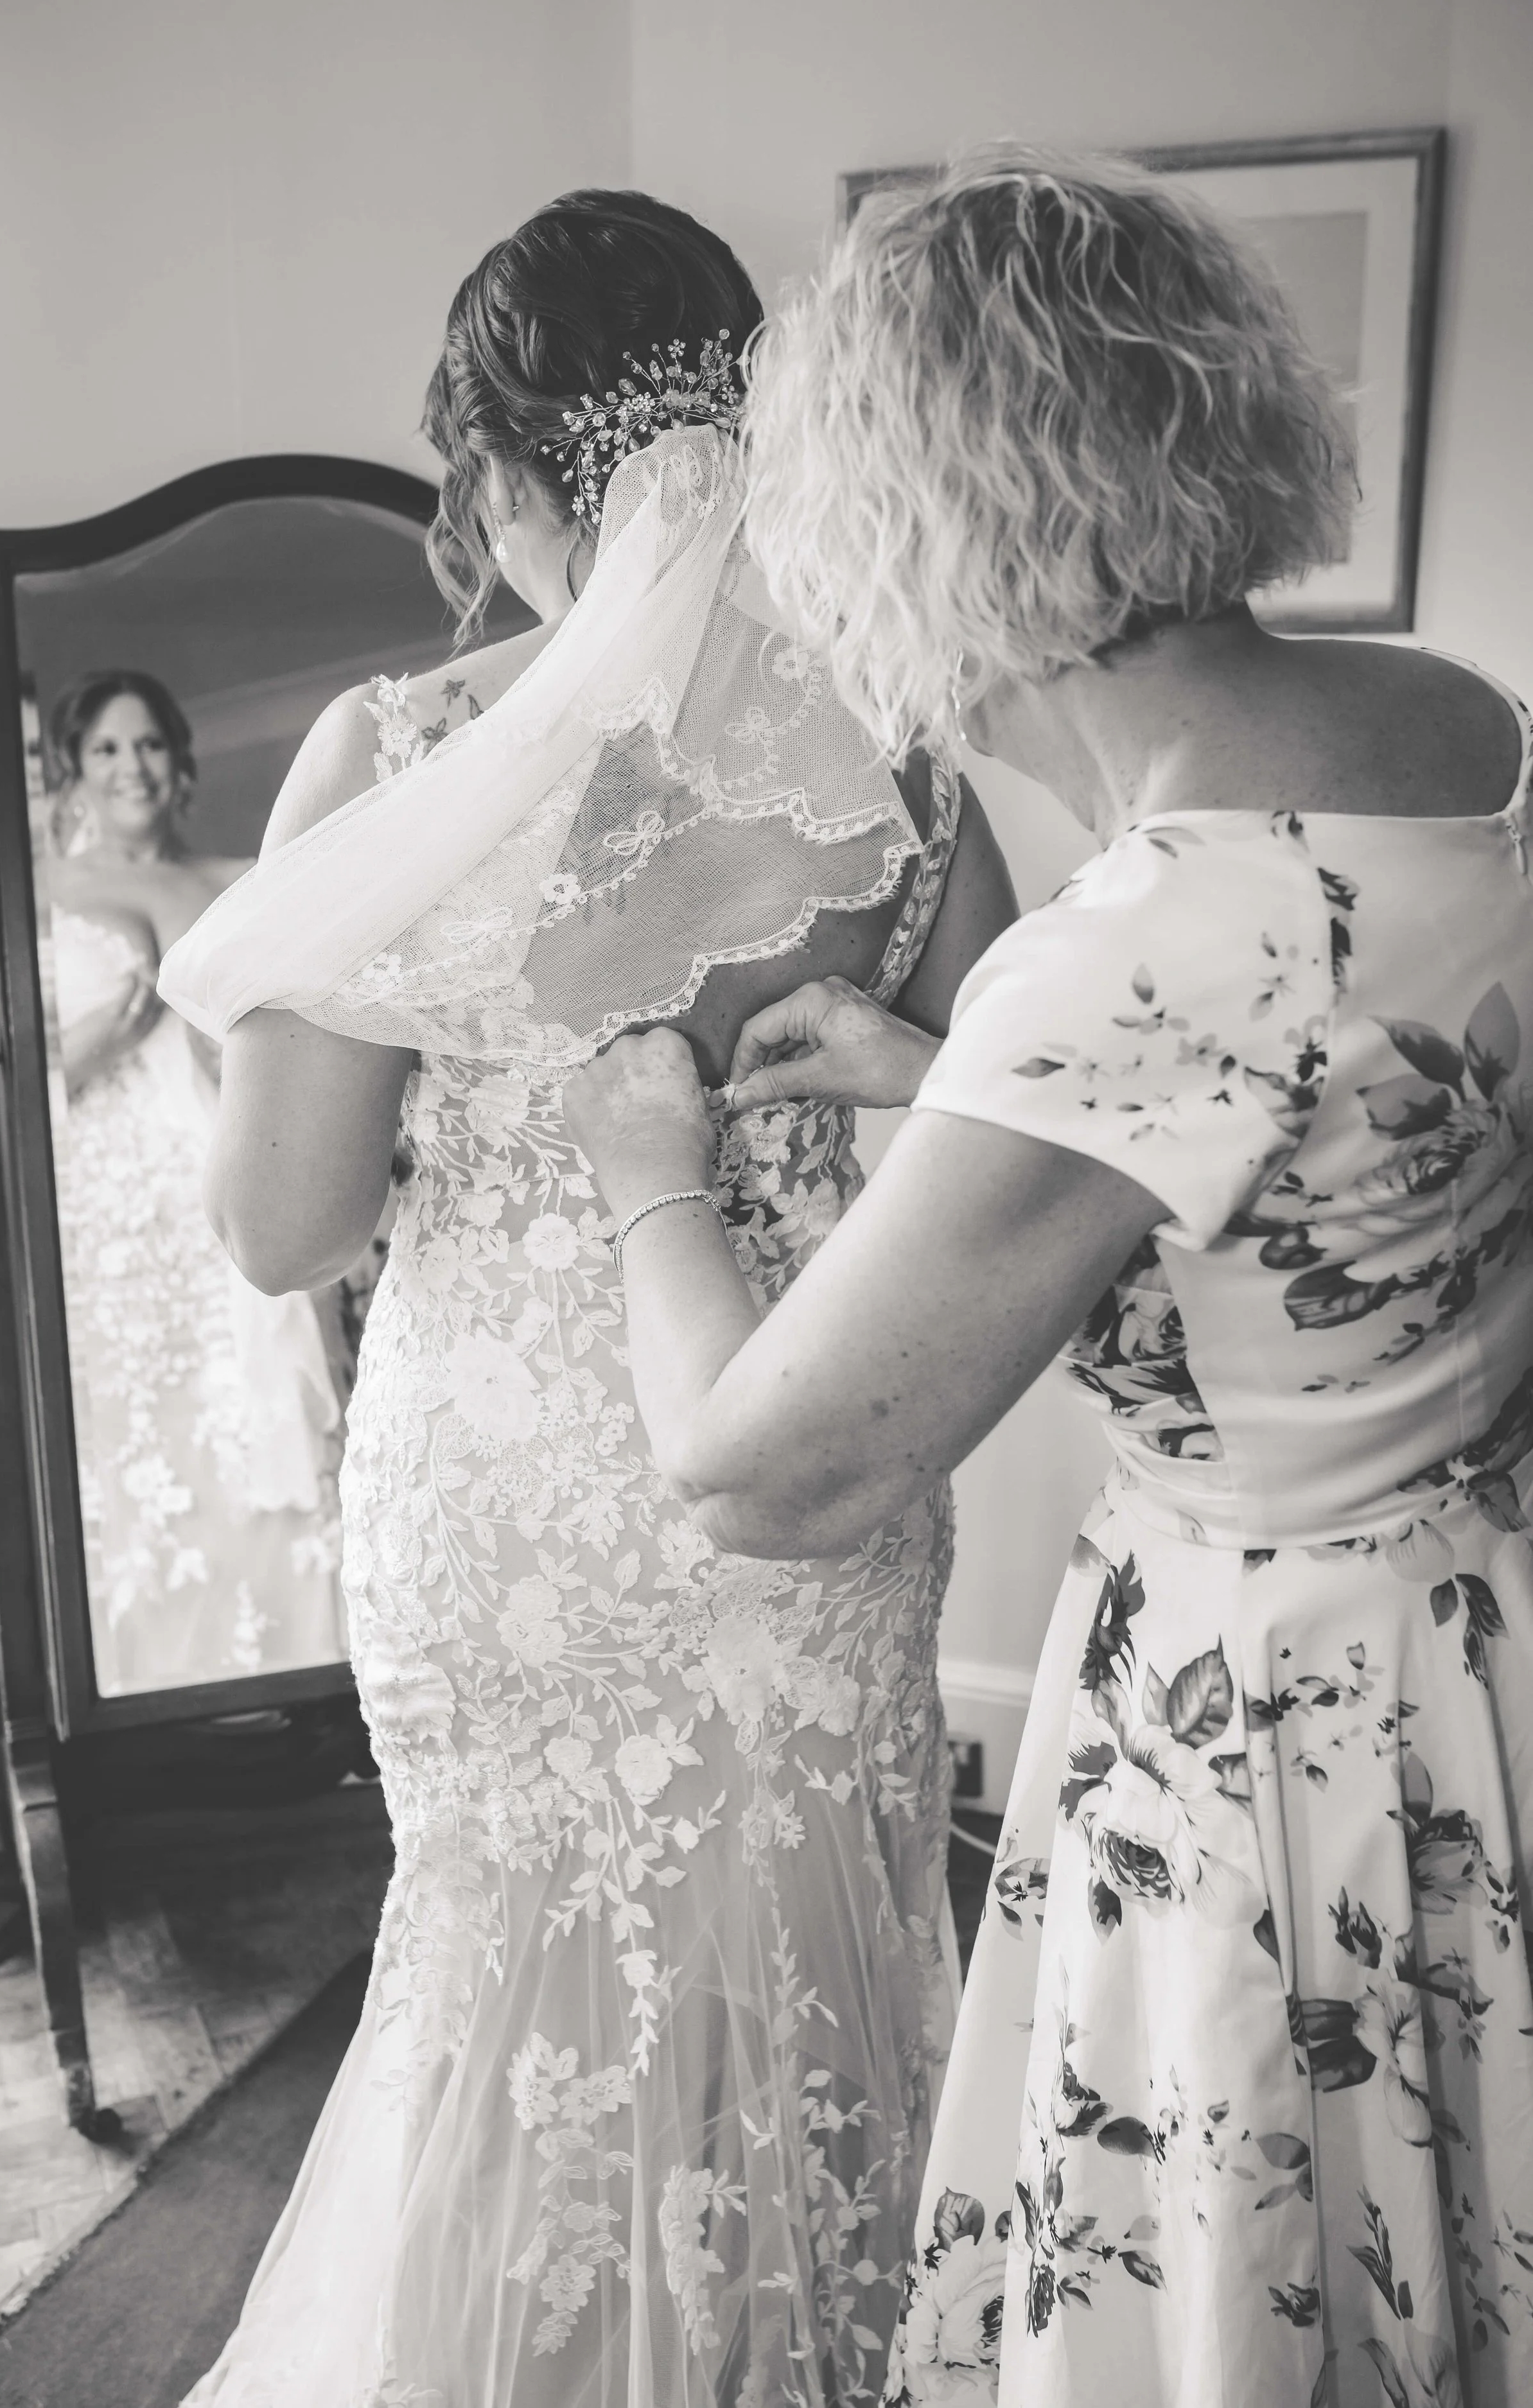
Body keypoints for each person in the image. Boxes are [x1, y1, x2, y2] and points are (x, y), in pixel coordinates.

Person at [561, 150, 1533, 2407]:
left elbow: (760, 1473)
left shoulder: (1128, 946)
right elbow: (1334, 1134)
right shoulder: (1470, 739)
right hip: (1472, 1653)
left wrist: (641, 1176)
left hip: (1262, 1747)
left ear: (925, 523)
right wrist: (939, 1078)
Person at [156, 189, 1017, 2406]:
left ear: (509, 475)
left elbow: (285, 1226)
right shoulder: (901, 758)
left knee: (509, 2011)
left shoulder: (401, 757)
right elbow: (1010, 1164)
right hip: (802, 1467)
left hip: (511, 1524)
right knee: (813, 1999)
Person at [43, 670, 346, 1693]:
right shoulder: (39, 893)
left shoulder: (238, 877)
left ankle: (305, 1683)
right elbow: (10, 1073)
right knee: (150, 1430)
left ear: (182, 766)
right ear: (72, 775)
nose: (132, 767)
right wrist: (96, 1041)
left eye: (150, 747)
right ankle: (149, 1692)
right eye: (107, 751)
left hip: (229, 1164)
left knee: (254, 1417)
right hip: (114, 1211)